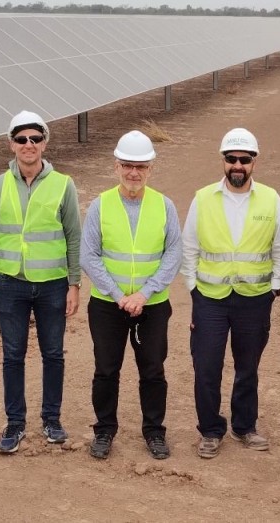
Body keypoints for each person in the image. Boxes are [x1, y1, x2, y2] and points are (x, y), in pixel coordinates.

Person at [181, 127, 280, 459]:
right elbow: (189, 246)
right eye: (231, 159)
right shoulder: (203, 199)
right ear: (223, 161)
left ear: (254, 162)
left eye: (244, 159)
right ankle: (210, 430)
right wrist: (193, 288)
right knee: (206, 366)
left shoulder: (271, 199)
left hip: (254, 298)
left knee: (248, 367)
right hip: (210, 299)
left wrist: (275, 285)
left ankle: (244, 426)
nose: (238, 165)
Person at [0, 110, 82, 454]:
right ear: (11, 145)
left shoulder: (63, 184)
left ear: (44, 143)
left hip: (53, 283)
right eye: (21, 139)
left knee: (53, 354)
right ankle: (15, 423)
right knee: (13, 355)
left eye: (35, 139)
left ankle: (52, 420)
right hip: (10, 284)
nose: (29, 144)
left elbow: (73, 236)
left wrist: (74, 283)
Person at [80, 131, 182, 460]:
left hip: (151, 305)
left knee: (152, 370)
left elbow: (173, 254)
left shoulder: (164, 206)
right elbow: (89, 255)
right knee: (106, 370)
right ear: (116, 167)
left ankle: (154, 431)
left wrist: (144, 294)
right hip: (108, 305)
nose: (133, 173)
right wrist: (117, 294)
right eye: (127, 165)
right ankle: (104, 430)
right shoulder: (100, 205)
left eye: (140, 167)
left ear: (151, 168)